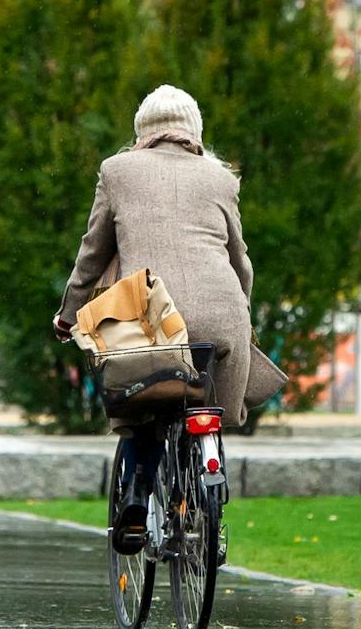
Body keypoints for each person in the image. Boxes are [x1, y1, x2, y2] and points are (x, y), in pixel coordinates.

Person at [54, 85, 252, 548]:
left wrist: (68, 316)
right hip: (222, 322)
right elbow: (240, 261)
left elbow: (93, 254)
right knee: (205, 407)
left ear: (142, 130)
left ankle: (139, 496)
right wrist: (242, 314)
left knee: (144, 406)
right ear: (194, 131)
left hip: (153, 324)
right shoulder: (220, 178)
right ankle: (207, 496)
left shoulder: (117, 171)